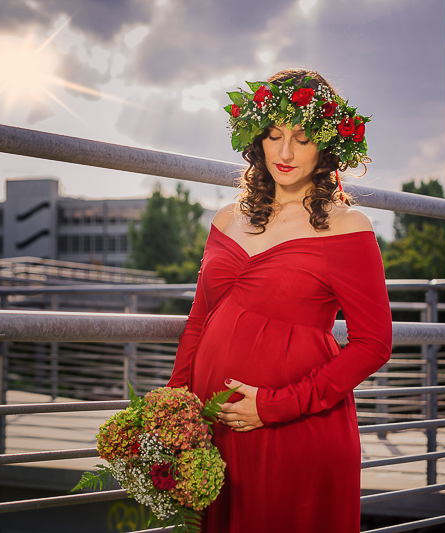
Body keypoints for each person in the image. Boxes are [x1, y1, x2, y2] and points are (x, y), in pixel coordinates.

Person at [167, 68, 393, 532]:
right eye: (273, 135)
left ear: (327, 146)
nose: (285, 153)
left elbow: (374, 343)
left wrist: (274, 406)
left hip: (292, 430)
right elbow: (199, 319)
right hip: (213, 427)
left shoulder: (349, 227)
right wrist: (174, 407)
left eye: (303, 137)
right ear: (257, 139)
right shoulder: (227, 217)